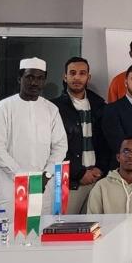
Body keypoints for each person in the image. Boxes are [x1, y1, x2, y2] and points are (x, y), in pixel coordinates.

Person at [0, 57, 68, 219]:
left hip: (43, 185)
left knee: (41, 230)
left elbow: (60, 146)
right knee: (10, 232)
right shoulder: (4, 107)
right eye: (29, 77)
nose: (34, 83)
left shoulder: (51, 109)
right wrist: (23, 177)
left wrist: (46, 175)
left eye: (40, 78)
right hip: (11, 186)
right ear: (20, 78)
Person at [51, 57, 109, 214]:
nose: (77, 77)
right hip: (69, 182)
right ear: (65, 77)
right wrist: (79, 173)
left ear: (88, 77)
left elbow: (106, 142)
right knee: (63, 225)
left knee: (94, 227)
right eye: (72, 73)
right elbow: (54, 147)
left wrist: (101, 168)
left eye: (82, 73)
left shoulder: (100, 105)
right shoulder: (54, 108)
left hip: (97, 179)